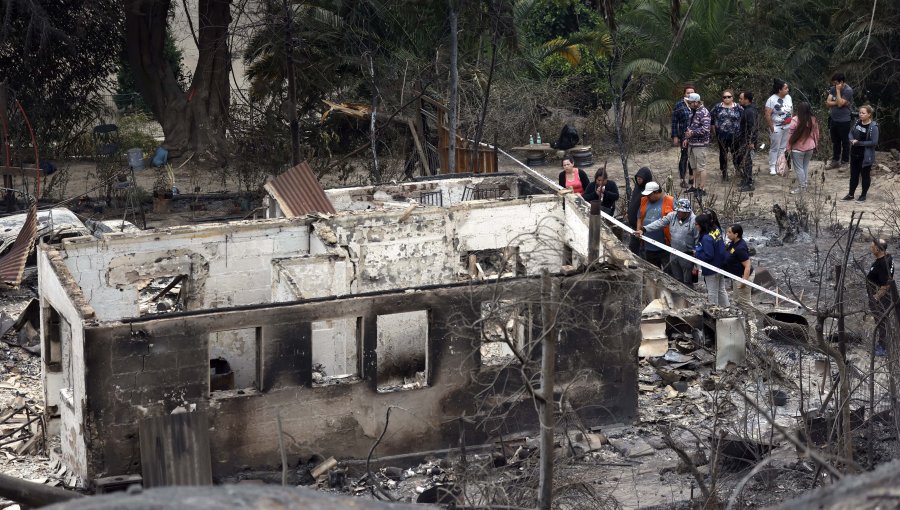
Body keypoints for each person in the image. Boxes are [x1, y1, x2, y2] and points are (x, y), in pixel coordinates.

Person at [636, 198, 697, 288]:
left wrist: (696, 260)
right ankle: (678, 298)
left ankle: (690, 299)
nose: (679, 213)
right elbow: (659, 223)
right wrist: (644, 229)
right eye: (678, 211)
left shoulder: (694, 221)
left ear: (687, 212)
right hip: (674, 253)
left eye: (682, 212)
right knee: (677, 279)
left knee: (687, 281)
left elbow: (698, 238)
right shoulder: (672, 215)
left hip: (687, 255)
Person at [841, 105, 879, 202]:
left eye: (863, 113)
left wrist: (859, 143)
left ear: (869, 114)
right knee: (853, 175)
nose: (860, 115)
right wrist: (851, 140)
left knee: (865, 175)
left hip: (865, 155)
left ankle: (863, 195)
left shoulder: (873, 127)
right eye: (860, 113)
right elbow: (850, 133)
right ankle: (850, 194)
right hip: (854, 153)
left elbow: (874, 142)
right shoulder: (857, 122)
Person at [866, 238, 897, 356]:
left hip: (881, 299)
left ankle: (882, 348)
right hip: (880, 297)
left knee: (881, 321)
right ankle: (883, 343)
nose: (870, 247)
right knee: (882, 321)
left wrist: (876, 298)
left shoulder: (883, 264)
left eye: (872, 246)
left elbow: (886, 284)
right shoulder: (887, 257)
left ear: (878, 249)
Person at [636, 181, 674, 269]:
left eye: (649, 195)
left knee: (669, 273)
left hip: (665, 246)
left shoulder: (670, 201)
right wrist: (638, 229)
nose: (647, 197)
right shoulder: (644, 200)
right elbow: (639, 217)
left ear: (656, 192)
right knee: (652, 273)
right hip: (648, 246)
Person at [694, 213, 729, 307]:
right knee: (721, 290)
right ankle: (726, 308)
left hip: (711, 269)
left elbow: (708, 255)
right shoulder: (716, 229)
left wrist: (696, 254)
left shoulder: (706, 238)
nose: (695, 226)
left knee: (712, 292)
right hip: (721, 265)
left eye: (696, 224)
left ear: (702, 224)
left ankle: (714, 312)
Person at [785, 101, 819, 194]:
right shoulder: (813, 119)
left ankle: (802, 187)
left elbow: (790, 135)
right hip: (810, 147)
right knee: (805, 167)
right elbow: (816, 134)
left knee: (799, 168)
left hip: (797, 148)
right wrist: (816, 144)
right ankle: (804, 185)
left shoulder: (795, 120)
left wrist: (788, 147)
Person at [710, 89, 743, 180]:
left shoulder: (738, 107)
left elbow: (744, 119)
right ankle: (724, 172)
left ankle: (738, 170)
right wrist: (713, 129)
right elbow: (711, 117)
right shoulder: (718, 107)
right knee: (723, 154)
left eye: (729, 97)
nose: (727, 98)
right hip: (722, 135)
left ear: (732, 97)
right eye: (725, 97)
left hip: (735, 135)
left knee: (736, 153)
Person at [683, 93, 711, 193]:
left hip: (700, 145)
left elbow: (706, 129)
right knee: (694, 167)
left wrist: (693, 133)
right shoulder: (692, 111)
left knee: (701, 167)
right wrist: (686, 138)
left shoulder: (704, 112)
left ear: (696, 102)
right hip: (692, 144)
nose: (689, 104)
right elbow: (689, 126)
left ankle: (702, 188)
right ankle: (694, 186)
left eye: (690, 102)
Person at [765, 79, 793, 175]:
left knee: (783, 147)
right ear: (779, 89)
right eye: (785, 88)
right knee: (774, 147)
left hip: (787, 126)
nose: (787, 90)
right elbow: (767, 114)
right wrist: (771, 127)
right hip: (776, 126)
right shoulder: (771, 100)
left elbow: (790, 110)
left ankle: (780, 165)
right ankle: (772, 166)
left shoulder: (788, 97)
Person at [826, 72, 854, 169]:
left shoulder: (848, 90)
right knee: (835, 141)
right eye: (833, 83)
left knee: (845, 141)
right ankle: (835, 160)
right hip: (834, 119)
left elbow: (840, 104)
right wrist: (838, 101)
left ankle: (845, 162)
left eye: (836, 83)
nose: (834, 85)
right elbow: (828, 103)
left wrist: (838, 92)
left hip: (844, 120)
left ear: (841, 82)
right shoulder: (833, 88)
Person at [672, 85, 696, 188]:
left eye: (692, 92)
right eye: (688, 93)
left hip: (695, 136)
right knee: (684, 156)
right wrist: (675, 136)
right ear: (684, 94)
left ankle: (691, 177)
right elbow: (674, 121)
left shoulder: (696, 104)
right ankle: (682, 179)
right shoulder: (679, 105)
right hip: (683, 136)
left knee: (693, 157)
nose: (690, 94)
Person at [735, 91, 759, 192]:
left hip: (747, 141)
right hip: (744, 140)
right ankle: (745, 179)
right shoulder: (747, 110)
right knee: (744, 161)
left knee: (747, 161)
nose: (739, 100)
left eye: (741, 98)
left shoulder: (750, 111)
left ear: (747, 100)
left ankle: (749, 183)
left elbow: (752, 127)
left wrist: (751, 141)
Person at [627, 166, 654, 254]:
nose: (638, 179)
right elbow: (634, 202)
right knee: (633, 248)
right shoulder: (637, 188)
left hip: (642, 227)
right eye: (637, 177)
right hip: (634, 225)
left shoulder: (649, 191)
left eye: (641, 178)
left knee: (642, 250)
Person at [724, 224, 753, 305]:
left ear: (736, 234)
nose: (727, 234)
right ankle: (742, 316)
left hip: (744, 276)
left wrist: (744, 281)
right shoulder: (733, 243)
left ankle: (752, 317)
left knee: (745, 302)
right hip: (737, 276)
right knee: (736, 300)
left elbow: (747, 265)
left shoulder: (740, 248)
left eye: (729, 232)